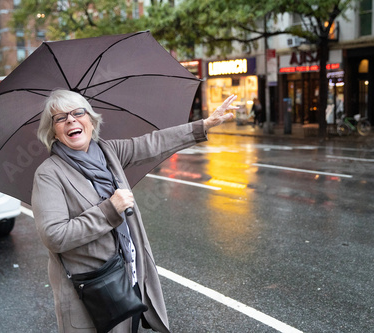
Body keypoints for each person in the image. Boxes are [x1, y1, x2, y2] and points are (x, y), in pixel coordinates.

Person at [32, 89, 237, 333]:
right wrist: (109, 210)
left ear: (91, 120)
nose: (71, 120)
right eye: (60, 117)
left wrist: (204, 125)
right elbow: (55, 236)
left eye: (78, 112)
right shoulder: (49, 174)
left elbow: (153, 143)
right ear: (53, 129)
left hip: (129, 277)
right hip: (93, 290)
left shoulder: (109, 153)